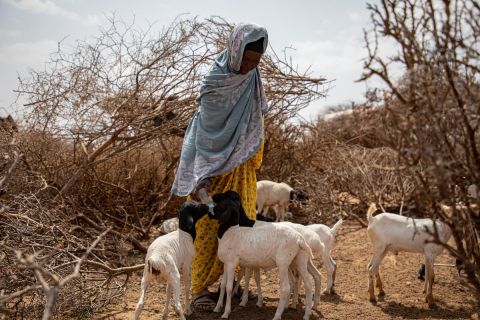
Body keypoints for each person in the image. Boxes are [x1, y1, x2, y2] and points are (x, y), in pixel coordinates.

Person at [171, 22, 269, 312]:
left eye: (256, 61)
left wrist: (252, 155)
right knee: (205, 229)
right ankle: (199, 289)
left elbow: (257, 121)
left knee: (240, 225)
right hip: (212, 172)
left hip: (240, 172)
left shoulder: (253, 81)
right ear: (235, 51)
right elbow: (203, 128)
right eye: (247, 60)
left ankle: (232, 284)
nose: (250, 66)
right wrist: (203, 172)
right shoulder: (215, 81)